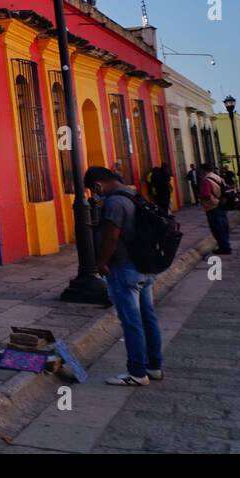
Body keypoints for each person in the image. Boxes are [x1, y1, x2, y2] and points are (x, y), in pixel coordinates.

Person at [86, 166, 163, 387]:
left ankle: (137, 372)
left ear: (98, 184)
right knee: (148, 318)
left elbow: (112, 236)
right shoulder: (134, 195)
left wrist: (100, 262)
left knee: (131, 321)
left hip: (124, 268)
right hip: (144, 265)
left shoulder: (114, 203)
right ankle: (154, 366)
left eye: (94, 190)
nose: (95, 194)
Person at [198, 161, 231, 256]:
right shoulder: (218, 177)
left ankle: (224, 247)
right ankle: (226, 245)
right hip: (221, 204)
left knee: (217, 228)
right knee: (224, 227)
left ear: (203, 170)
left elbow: (206, 195)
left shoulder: (206, 180)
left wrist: (199, 196)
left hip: (212, 206)